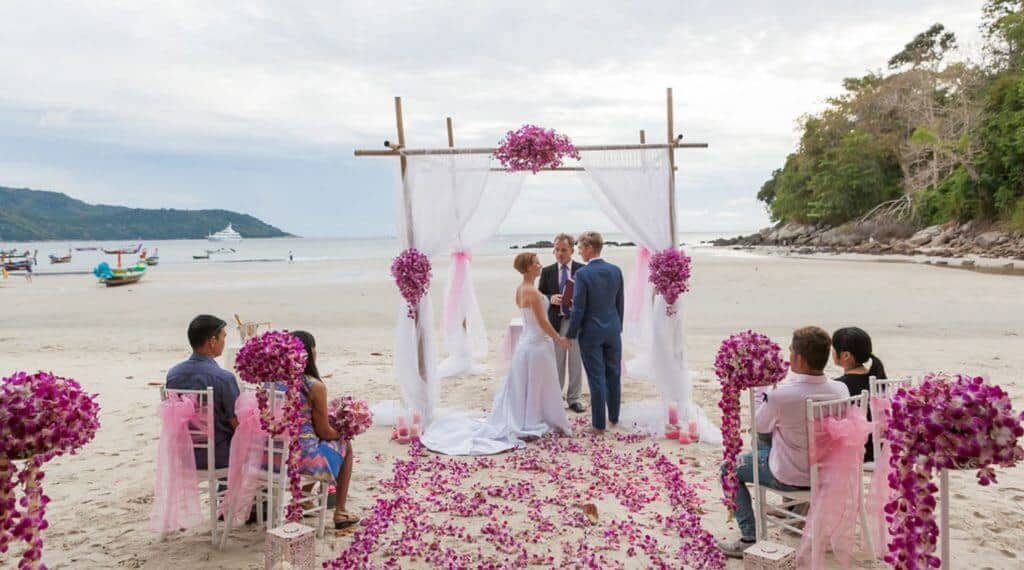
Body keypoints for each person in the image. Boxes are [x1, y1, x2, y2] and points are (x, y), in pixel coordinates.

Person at [420, 252, 572, 455]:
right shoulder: (533, 293)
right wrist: (558, 339)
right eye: (536, 263)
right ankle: (534, 418)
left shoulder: (521, 289)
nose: (540, 265)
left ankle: (532, 415)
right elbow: (543, 322)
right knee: (538, 384)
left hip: (527, 344)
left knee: (530, 385)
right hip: (536, 345)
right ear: (527, 268)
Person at [717, 326, 849, 558]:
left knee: (728, 469)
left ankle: (749, 537)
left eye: (790, 351)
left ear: (798, 357)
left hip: (790, 475)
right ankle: (796, 510)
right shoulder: (840, 390)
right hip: (825, 473)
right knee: (777, 438)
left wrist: (764, 395)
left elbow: (759, 427)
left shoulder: (782, 396)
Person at [286, 331, 359, 529]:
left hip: (274, 457)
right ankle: (341, 511)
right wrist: (343, 433)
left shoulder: (272, 383)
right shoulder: (313, 385)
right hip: (302, 459)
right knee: (345, 445)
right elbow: (324, 432)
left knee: (322, 442)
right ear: (309, 353)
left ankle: (305, 496)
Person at [565, 231, 624, 434]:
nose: (580, 252)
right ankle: (614, 418)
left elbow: (579, 308)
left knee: (596, 377)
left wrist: (570, 334)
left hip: (591, 333)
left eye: (580, 248)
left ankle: (599, 425)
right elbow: (619, 303)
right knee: (614, 374)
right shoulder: (616, 270)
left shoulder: (582, 274)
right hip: (613, 330)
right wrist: (618, 327)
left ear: (589, 248)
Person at [165, 314, 240, 470]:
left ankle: (223, 490)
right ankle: (232, 491)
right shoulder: (224, 378)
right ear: (212, 341)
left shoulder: (173, 375)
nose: (224, 342)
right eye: (223, 337)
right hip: (219, 456)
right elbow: (237, 425)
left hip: (184, 454)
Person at [537, 233, 586, 413]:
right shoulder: (547, 271)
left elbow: (588, 296)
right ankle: (556, 397)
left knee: (575, 360)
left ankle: (574, 398)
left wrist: (577, 302)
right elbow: (539, 295)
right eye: (556, 250)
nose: (560, 253)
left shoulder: (582, 270)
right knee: (557, 360)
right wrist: (551, 298)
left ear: (572, 250)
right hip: (555, 322)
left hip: (575, 322)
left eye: (564, 250)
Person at [831, 326, 887, 462]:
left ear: (845, 355)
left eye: (833, 349)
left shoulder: (839, 386)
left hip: (858, 451)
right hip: (880, 448)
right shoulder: (878, 379)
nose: (831, 352)